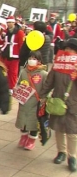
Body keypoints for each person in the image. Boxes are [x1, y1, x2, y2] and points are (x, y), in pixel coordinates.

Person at [39, 38, 77, 172]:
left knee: (72, 132)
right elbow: (49, 81)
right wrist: (42, 95)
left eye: (71, 49)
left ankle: (72, 157)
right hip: (57, 101)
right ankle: (61, 152)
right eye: (66, 49)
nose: (68, 51)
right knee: (59, 129)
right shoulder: (58, 65)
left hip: (73, 103)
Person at [15, 51, 47, 150]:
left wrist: (44, 98)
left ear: (39, 61)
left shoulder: (43, 73)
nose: (31, 61)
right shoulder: (24, 71)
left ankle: (31, 139)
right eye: (30, 58)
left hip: (36, 101)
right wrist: (18, 89)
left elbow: (47, 88)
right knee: (22, 119)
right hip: (24, 100)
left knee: (34, 122)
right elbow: (19, 83)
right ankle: (24, 137)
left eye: (34, 59)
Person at [0, 16, 25, 95]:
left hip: (15, 55)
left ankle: (11, 88)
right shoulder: (6, 31)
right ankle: (4, 86)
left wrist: (21, 54)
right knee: (4, 71)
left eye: (11, 22)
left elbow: (21, 44)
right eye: (8, 22)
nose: (9, 24)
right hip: (5, 54)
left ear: (14, 22)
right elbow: (1, 40)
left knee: (13, 73)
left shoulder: (19, 32)